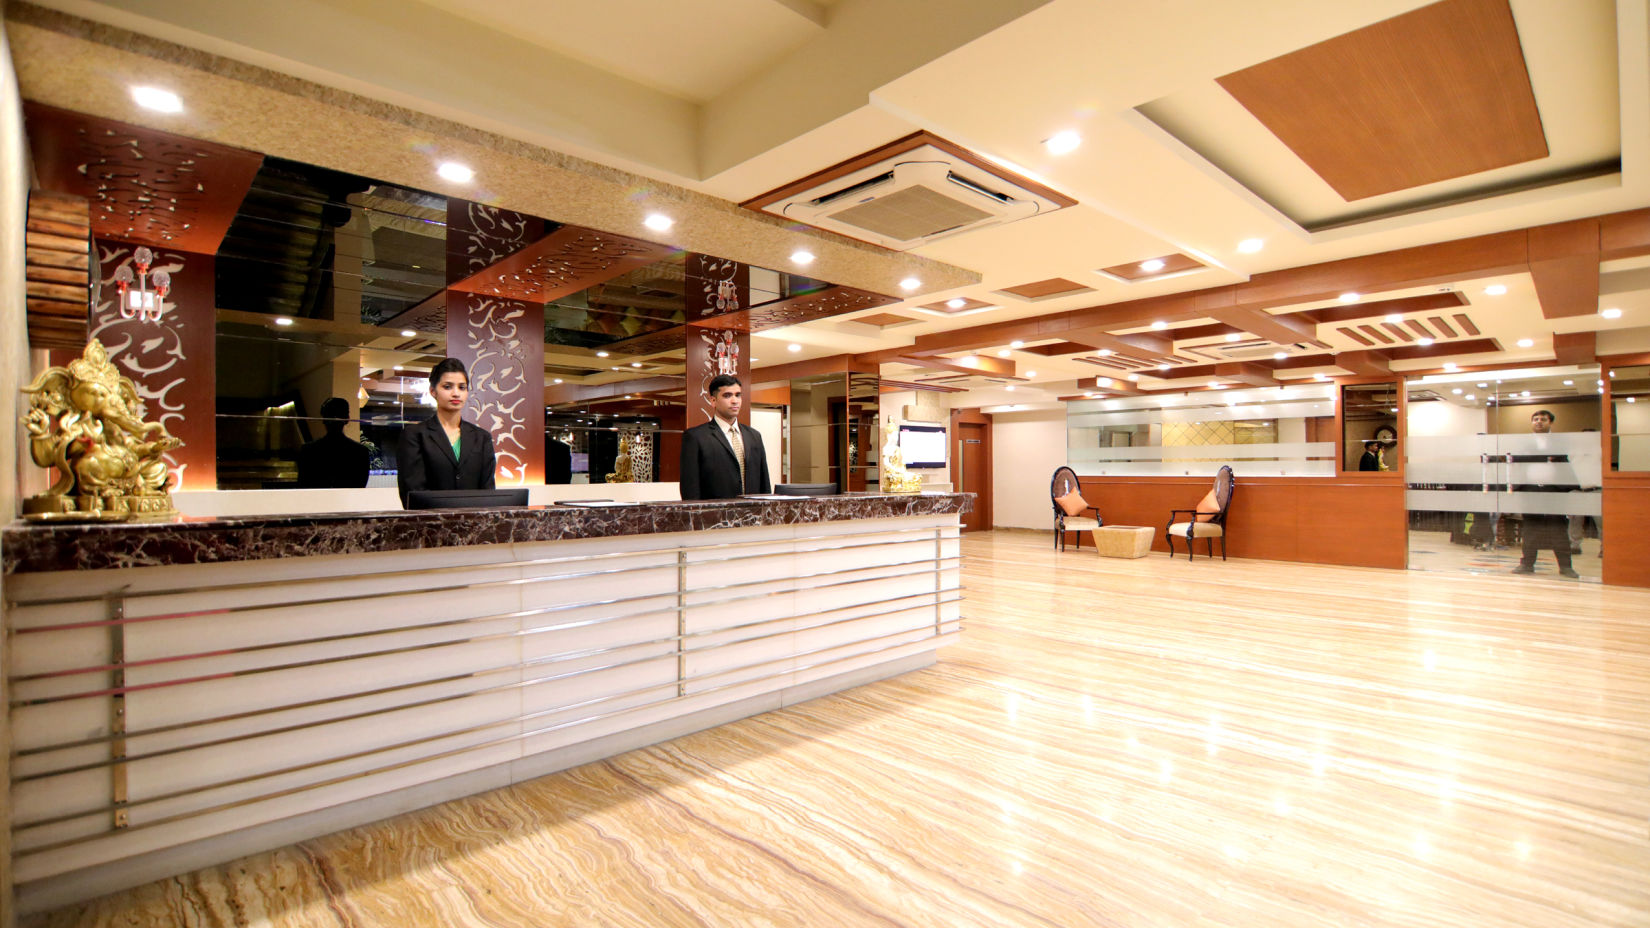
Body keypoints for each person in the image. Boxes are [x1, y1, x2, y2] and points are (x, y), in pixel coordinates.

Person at [396, 358, 496, 507]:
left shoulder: (481, 438)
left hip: (474, 525)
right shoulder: (415, 435)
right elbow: (412, 493)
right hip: (429, 526)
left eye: (462, 387)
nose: (456, 393)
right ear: (433, 391)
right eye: (448, 387)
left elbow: (488, 492)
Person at [679, 374, 771, 500]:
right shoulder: (696, 437)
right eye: (727, 395)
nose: (734, 401)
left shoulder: (754, 436)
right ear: (713, 401)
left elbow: (764, 483)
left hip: (752, 515)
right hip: (715, 516)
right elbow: (690, 489)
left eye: (738, 395)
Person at [1513, 408, 1578, 578]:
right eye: (1535, 419)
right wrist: (1544, 457)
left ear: (1550, 422)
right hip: (1531, 490)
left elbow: (1562, 460)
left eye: (1543, 419)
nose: (1539, 422)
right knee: (1531, 529)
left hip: (1553, 490)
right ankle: (1527, 564)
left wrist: (1541, 457)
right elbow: (1517, 459)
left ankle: (1565, 567)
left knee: (1558, 529)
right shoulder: (1525, 443)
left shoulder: (1558, 442)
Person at [296, 397, 370, 488]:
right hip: (346, 501)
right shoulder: (360, 452)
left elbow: (303, 486)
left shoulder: (308, 450)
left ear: (323, 420)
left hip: (317, 501)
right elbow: (359, 487)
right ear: (347, 419)